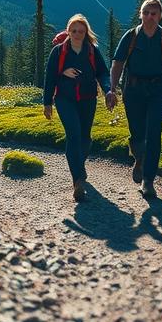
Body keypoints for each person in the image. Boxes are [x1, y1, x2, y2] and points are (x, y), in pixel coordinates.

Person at [109, 0, 162, 201]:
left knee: (154, 133)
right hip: (133, 90)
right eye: (146, 13)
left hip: (158, 91)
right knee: (137, 133)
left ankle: (148, 181)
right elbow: (117, 63)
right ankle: (139, 157)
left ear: (160, 15)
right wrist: (112, 89)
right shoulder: (131, 36)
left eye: (153, 13)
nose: (149, 17)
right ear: (140, 14)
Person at [42, 14, 114, 203]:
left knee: (85, 138)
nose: (77, 34)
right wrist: (47, 103)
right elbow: (50, 78)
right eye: (73, 31)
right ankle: (77, 181)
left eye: (81, 31)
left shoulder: (92, 51)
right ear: (68, 31)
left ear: (86, 32)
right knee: (73, 135)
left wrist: (108, 91)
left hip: (88, 99)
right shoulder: (58, 52)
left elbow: (103, 73)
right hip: (65, 100)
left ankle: (78, 168)